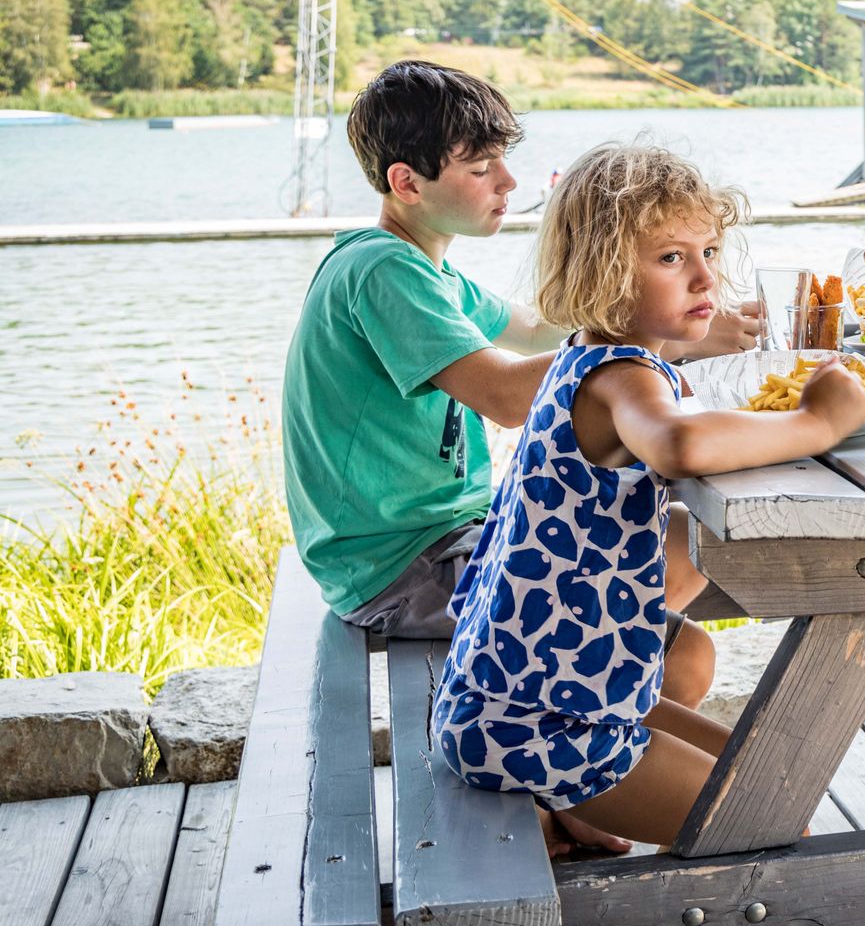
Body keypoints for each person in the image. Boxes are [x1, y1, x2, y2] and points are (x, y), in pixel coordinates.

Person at [432, 142, 865, 852]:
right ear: (604, 272)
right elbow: (680, 447)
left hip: (523, 699)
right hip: (538, 724)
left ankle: (585, 816)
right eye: (672, 258)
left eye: (710, 251)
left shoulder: (592, 357)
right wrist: (815, 422)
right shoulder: (622, 375)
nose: (705, 276)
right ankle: (586, 816)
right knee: (769, 818)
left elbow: (683, 434)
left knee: (769, 776)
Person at [281, 61, 756, 653]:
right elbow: (505, 396)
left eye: (502, 161)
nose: (507, 181)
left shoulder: (430, 273)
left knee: (677, 624)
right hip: (403, 570)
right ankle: (562, 698)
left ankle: (597, 687)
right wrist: (643, 352)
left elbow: (534, 329)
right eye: (481, 169)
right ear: (406, 183)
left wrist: (686, 329)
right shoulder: (383, 271)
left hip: (440, 543)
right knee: (685, 543)